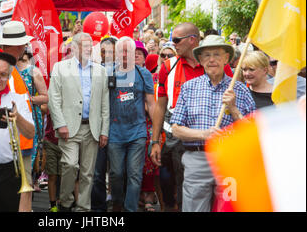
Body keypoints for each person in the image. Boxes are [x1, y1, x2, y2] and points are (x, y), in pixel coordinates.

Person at [150, 22, 233, 211]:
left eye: (177, 40)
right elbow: (160, 106)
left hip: (212, 141)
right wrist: (155, 141)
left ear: (192, 40)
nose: (173, 44)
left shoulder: (219, 67)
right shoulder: (168, 67)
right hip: (176, 136)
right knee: (174, 185)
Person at [170, 34, 256, 212]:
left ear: (226, 58)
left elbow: (252, 132)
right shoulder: (189, 87)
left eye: (217, 54)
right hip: (196, 159)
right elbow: (176, 129)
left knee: (228, 208)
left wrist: (233, 108)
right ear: (200, 60)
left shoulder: (240, 90)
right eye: (207, 55)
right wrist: (204, 134)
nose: (212, 60)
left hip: (229, 161)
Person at [48, 32, 109, 212]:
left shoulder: (101, 71)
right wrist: (60, 124)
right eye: (84, 45)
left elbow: (104, 103)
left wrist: (104, 130)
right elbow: (53, 98)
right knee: (69, 164)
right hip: (68, 128)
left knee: (87, 172)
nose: (89, 48)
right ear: (74, 47)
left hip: (92, 128)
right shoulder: (60, 68)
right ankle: (66, 202)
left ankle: (83, 208)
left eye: (90, 45)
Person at [0, 50, 35, 211]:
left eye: (3, 74)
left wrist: (19, 118)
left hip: (9, 171)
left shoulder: (17, 98)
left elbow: (31, 133)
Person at [108, 36, 156, 212]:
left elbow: (151, 104)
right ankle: (118, 202)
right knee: (116, 173)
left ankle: (130, 209)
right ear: (117, 53)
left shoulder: (144, 74)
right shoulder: (109, 73)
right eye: (122, 51)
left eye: (129, 51)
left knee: (135, 175)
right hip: (114, 133)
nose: (125, 54)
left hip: (137, 132)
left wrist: (156, 134)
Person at [0, 20, 36, 212]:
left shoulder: (11, 67)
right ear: (18, 46)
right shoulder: (6, 68)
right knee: (21, 195)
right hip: (14, 146)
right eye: (23, 45)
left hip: (21, 140)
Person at [16, 49, 49, 191]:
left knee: (28, 157)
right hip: (10, 117)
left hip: (30, 117)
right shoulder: (4, 67)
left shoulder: (32, 71)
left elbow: (45, 97)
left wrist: (30, 99)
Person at [91, 36, 117, 212]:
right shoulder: (92, 72)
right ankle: (99, 209)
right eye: (103, 51)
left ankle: (118, 205)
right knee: (97, 173)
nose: (106, 55)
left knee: (118, 173)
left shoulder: (127, 71)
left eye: (110, 52)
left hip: (120, 130)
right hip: (98, 128)